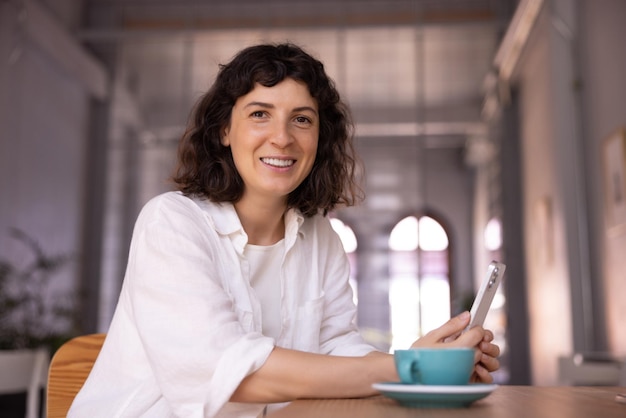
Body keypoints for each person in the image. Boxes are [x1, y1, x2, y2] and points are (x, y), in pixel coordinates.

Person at [69, 43, 500, 418]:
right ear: (224, 130)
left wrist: (428, 358)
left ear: (319, 137)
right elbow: (229, 376)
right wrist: (412, 367)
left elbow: (336, 349)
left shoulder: (322, 238)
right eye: (260, 114)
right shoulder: (171, 223)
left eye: (302, 119)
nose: (282, 138)